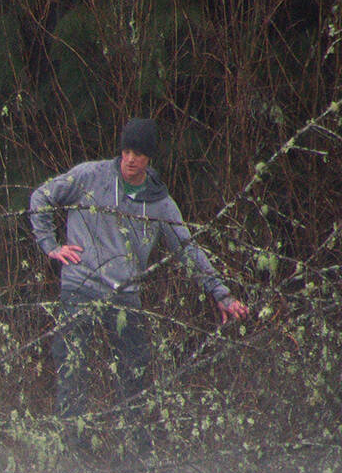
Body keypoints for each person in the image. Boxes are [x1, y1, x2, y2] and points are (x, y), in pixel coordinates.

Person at [28, 117, 248, 424]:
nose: (130, 159)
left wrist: (220, 293)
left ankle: (132, 450)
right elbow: (41, 196)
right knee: (72, 368)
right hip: (80, 287)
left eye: (139, 153)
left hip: (124, 295)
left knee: (135, 372)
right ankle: (71, 451)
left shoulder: (159, 202)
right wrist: (51, 245)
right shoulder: (90, 176)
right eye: (127, 151)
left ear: (149, 157)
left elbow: (187, 249)